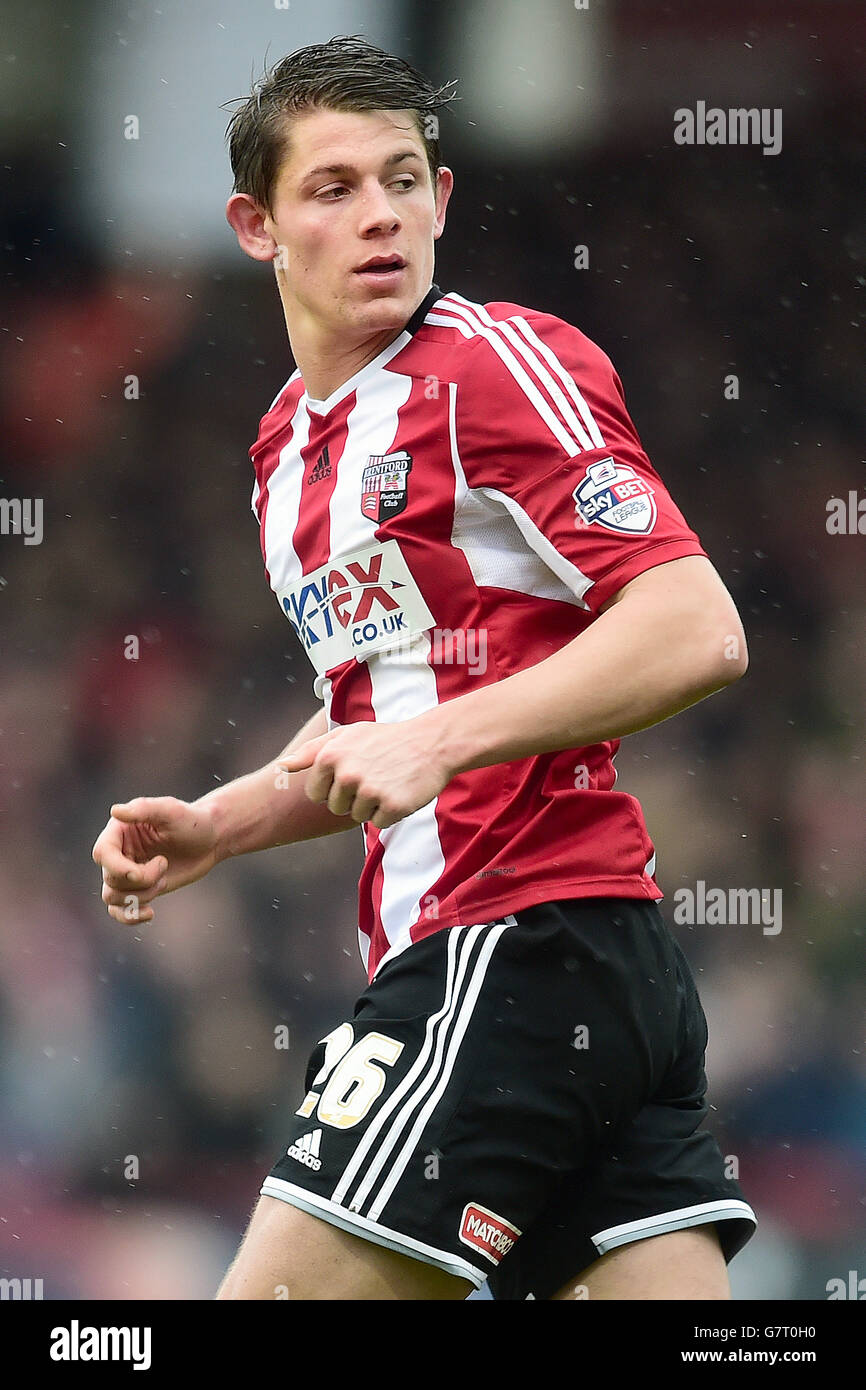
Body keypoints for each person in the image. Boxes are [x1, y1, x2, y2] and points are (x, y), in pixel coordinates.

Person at [92, 35, 756, 1301]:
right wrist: (221, 824)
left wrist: (439, 745)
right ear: (256, 226)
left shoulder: (493, 362)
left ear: (443, 199)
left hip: (510, 944)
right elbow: (383, 702)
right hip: (591, 981)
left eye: (403, 179)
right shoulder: (285, 452)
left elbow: (693, 624)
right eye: (333, 189)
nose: (380, 213)